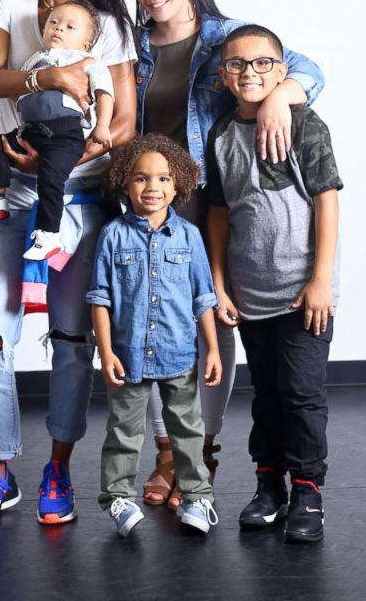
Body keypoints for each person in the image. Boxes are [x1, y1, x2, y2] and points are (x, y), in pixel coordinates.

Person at [0, 0, 137, 531]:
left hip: (77, 198)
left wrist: (64, 156)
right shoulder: (7, 1)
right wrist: (49, 73)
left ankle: (57, 467)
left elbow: (123, 124)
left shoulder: (109, 24)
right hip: (7, 197)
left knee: (70, 340)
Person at [129, 0, 325, 510]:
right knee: (152, 329)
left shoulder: (224, 37)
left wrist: (277, 99)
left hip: (215, 201)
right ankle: (170, 455)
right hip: (153, 204)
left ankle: (203, 451)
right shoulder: (133, 45)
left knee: (213, 324)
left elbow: (307, 69)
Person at [207, 24, 342, 544]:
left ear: (282, 72)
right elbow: (218, 215)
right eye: (237, 64)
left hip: (304, 293)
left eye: (262, 63)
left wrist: (321, 280)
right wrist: (220, 285)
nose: (249, 72)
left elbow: (327, 200)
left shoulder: (305, 124)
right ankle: (270, 486)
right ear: (223, 75)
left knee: (302, 395)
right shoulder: (220, 137)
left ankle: (308, 489)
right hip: (250, 292)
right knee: (265, 394)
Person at [88, 134, 222, 537]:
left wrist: (212, 348)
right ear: (125, 185)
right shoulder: (112, 236)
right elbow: (99, 298)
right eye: (142, 179)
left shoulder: (189, 237)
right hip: (128, 355)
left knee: (187, 428)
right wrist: (106, 351)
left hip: (179, 352)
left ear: (177, 184)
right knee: (124, 431)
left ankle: (197, 496)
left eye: (163, 179)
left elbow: (203, 297)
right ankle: (118, 498)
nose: (153, 187)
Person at [0, 0, 114, 264]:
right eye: (54, 23)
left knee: (50, 176)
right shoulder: (34, 60)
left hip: (66, 134)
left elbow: (105, 93)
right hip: (32, 129)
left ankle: (48, 233)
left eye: (70, 27)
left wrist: (103, 125)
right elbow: (17, 90)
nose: (58, 29)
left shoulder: (87, 61)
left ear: (86, 43)